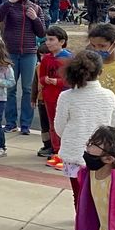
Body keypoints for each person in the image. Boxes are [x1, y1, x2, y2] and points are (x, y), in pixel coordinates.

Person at [54, 51, 115, 210]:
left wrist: (72, 137)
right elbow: (112, 126)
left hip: (74, 153)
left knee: (78, 195)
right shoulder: (109, 96)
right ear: (100, 72)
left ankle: (81, 228)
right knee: (98, 195)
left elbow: (59, 127)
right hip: (101, 154)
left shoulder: (66, 96)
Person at [0, 0, 46, 135]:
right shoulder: (9, 6)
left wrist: (35, 18)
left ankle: (25, 124)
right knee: (10, 88)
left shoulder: (35, 8)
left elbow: (42, 32)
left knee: (27, 89)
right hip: (11, 51)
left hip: (29, 52)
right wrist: (10, 1)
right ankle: (11, 122)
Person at [38, 27, 72, 170]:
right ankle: (56, 151)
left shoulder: (68, 58)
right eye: (47, 39)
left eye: (52, 40)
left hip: (63, 96)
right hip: (49, 96)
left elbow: (71, 80)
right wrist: (46, 80)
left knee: (65, 125)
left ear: (62, 41)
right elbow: (41, 77)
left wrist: (57, 82)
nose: (48, 43)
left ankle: (66, 153)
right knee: (53, 124)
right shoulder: (46, 59)